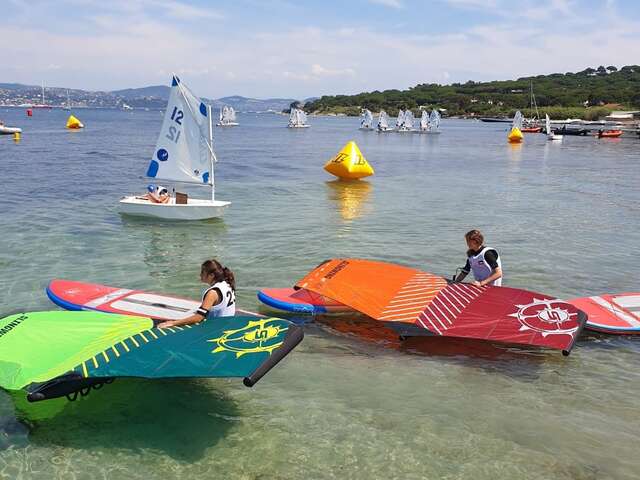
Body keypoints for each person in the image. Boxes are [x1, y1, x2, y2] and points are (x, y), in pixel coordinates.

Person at [157, 259, 236, 328]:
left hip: (217, 330)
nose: (200, 275)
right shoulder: (226, 283)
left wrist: (173, 323)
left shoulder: (212, 293)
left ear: (211, 275)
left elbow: (199, 318)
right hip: (228, 325)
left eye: (203, 272)